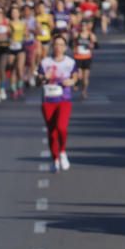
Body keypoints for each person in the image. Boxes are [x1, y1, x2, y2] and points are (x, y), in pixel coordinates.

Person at [38, 35, 80, 173]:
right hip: (48, 100)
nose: (58, 47)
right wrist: (45, 77)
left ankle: (62, 152)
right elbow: (38, 81)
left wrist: (71, 82)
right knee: (52, 132)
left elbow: (75, 77)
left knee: (61, 127)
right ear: (52, 46)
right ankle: (54, 159)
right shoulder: (45, 63)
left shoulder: (70, 62)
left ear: (65, 47)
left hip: (64, 100)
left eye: (61, 45)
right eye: (56, 44)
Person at [72, 20, 97, 100]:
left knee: (85, 77)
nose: (83, 27)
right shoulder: (77, 35)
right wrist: (74, 48)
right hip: (78, 57)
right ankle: (77, 83)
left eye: (84, 26)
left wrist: (92, 45)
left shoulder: (91, 35)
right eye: (82, 26)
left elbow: (96, 45)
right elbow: (71, 43)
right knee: (79, 75)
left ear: (87, 27)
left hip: (87, 58)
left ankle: (84, 91)